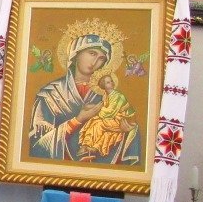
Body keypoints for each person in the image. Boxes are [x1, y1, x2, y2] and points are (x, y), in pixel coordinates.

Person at [27, 30, 141, 165]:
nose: (95, 61)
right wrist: (78, 120)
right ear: (76, 53)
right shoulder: (50, 94)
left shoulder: (108, 95)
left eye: (101, 58)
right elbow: (37, 147)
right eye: (92, 53)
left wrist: (126, 129)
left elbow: (129, 124)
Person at [78, 74, 139, 163]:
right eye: (108, 82)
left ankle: (89, 146)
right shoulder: (106, 95)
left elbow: (110, 112)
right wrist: (93, 108)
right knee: (93, 121)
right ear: (103, 86)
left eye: (111, 81)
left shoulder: (118, 96)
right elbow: (104, 108)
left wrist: (96, 110)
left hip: (124, 121)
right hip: (113, 119)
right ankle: (89, 146)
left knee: (99, 123)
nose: (111, 83)